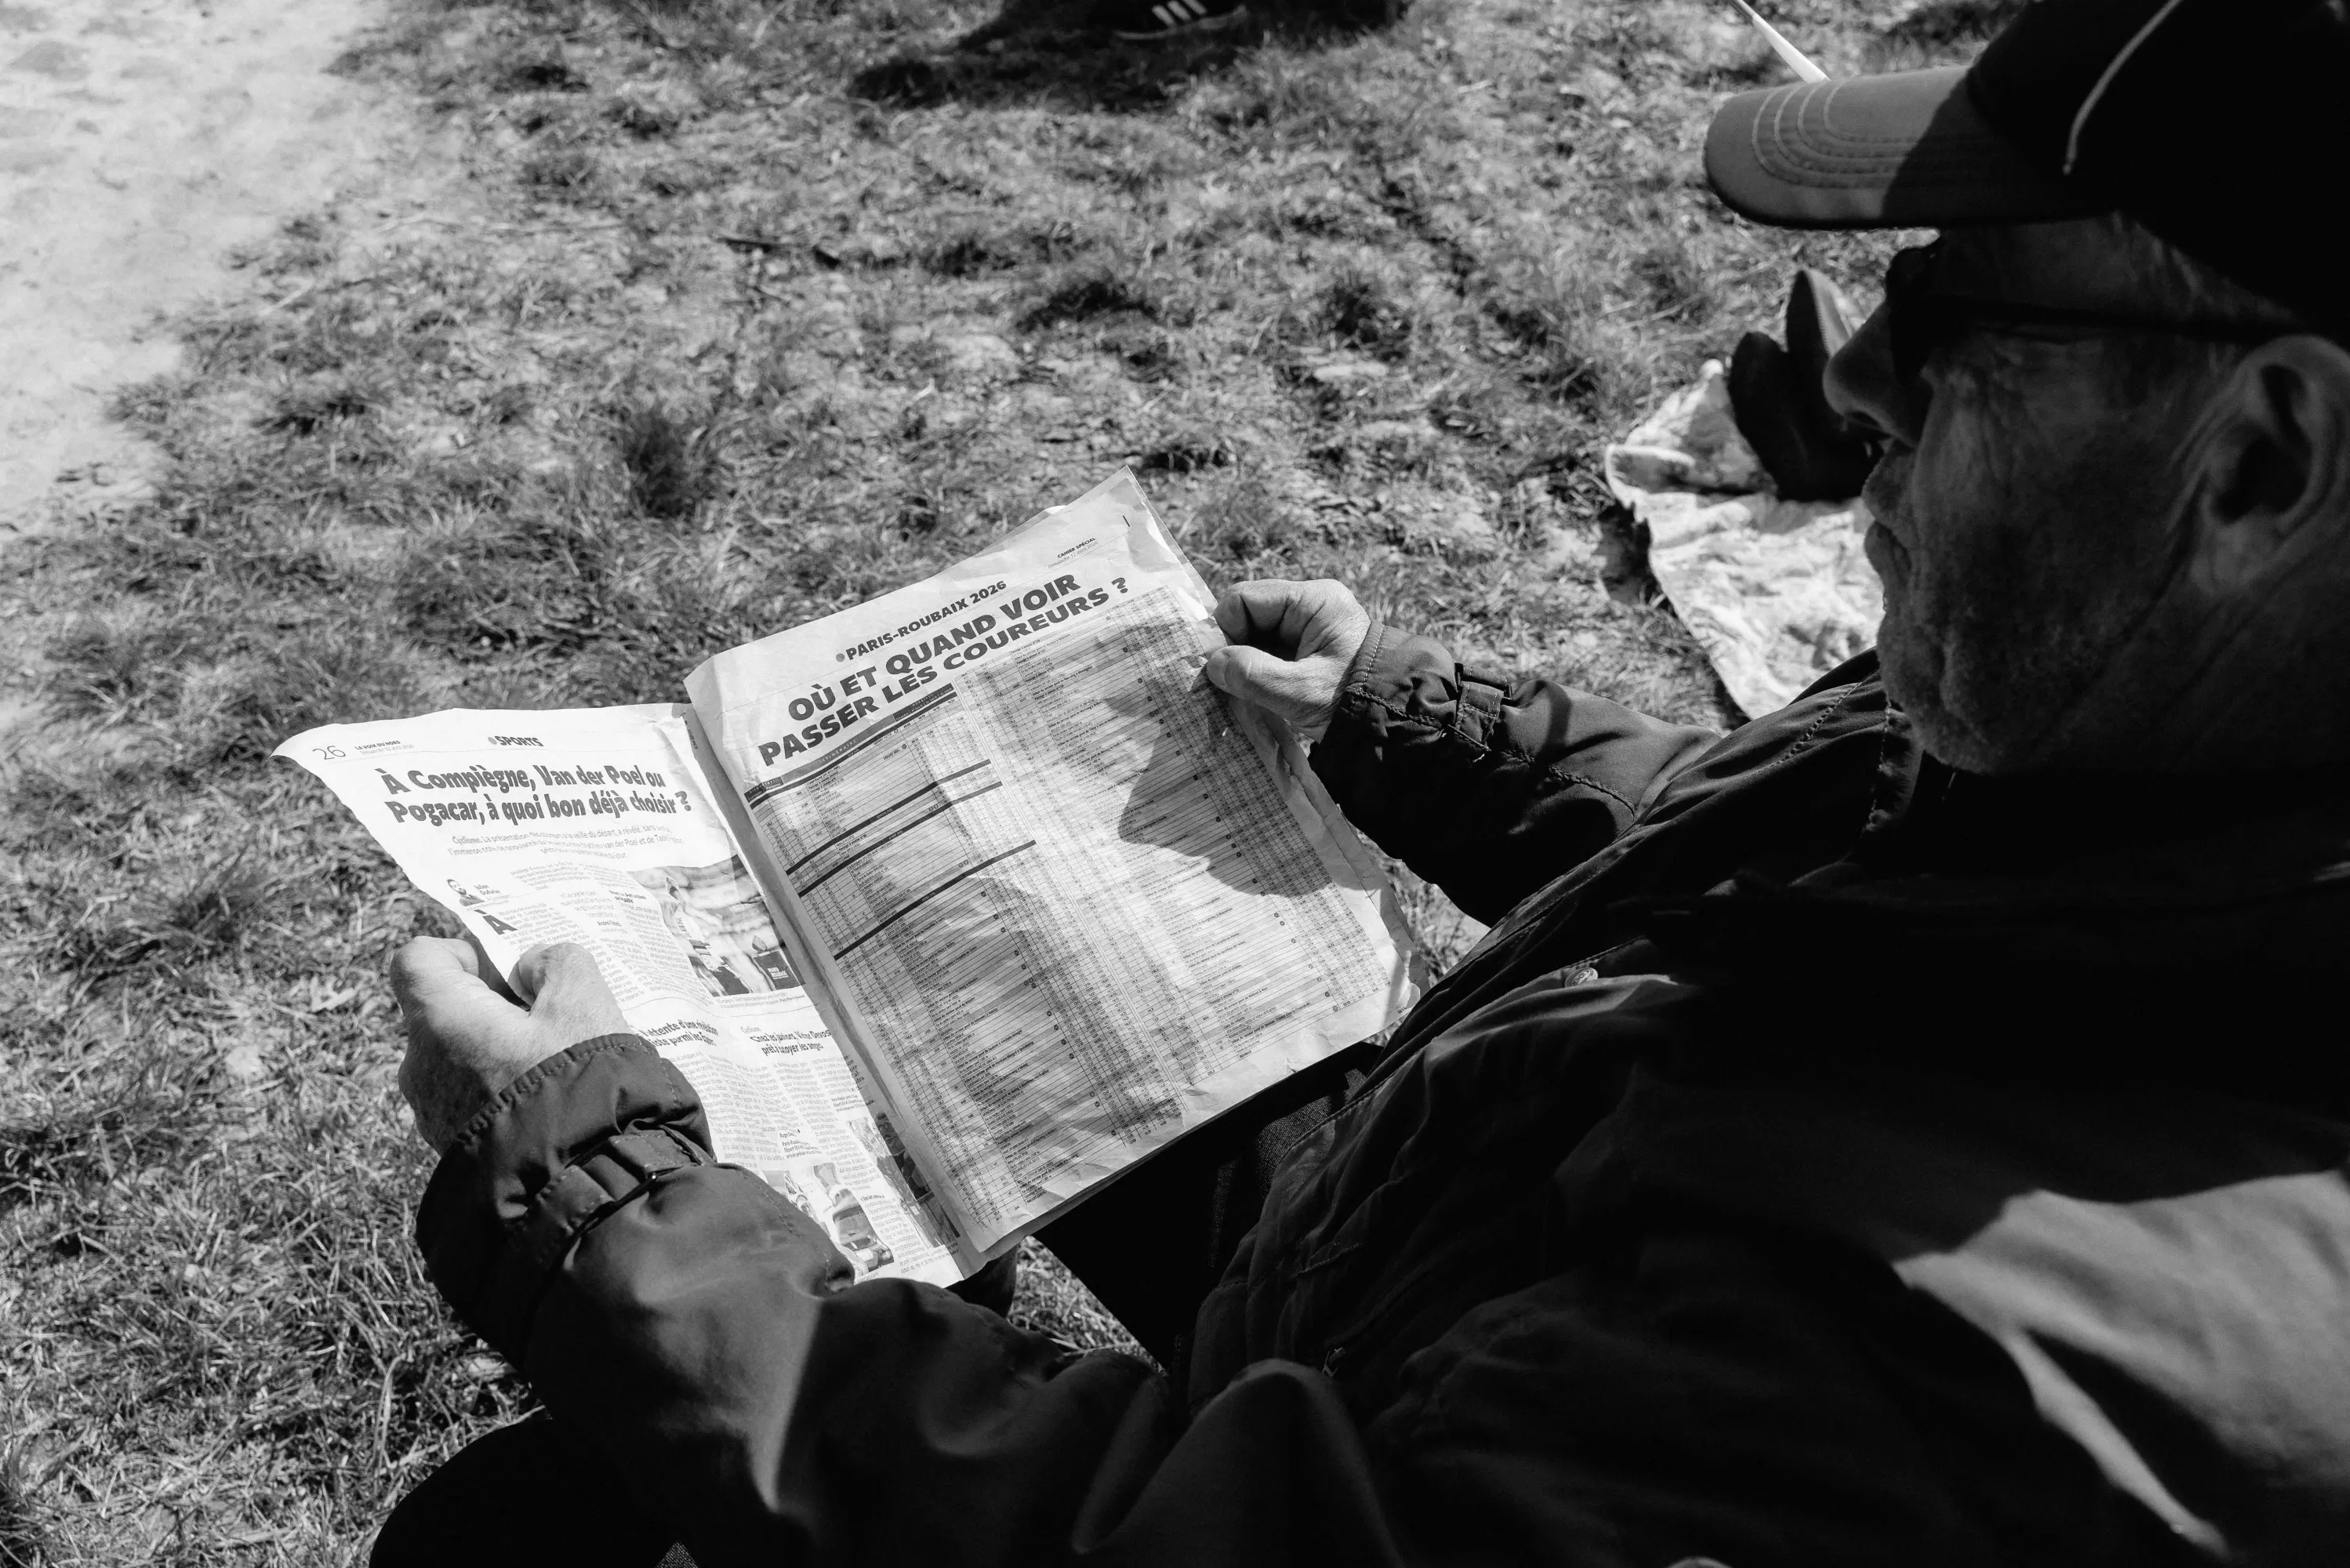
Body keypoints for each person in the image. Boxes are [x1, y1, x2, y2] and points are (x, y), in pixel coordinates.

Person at [371, 2, 2350, 1563]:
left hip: (1428, 1391)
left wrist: (607, 1206)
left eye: (1950, 318)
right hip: (1445, 1244)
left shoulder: (1980, 1343)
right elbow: (1837, 822)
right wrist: (1429, 729)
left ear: (2263, 457)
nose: (1849, 386)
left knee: (499, 1538)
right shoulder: (2166, 714)